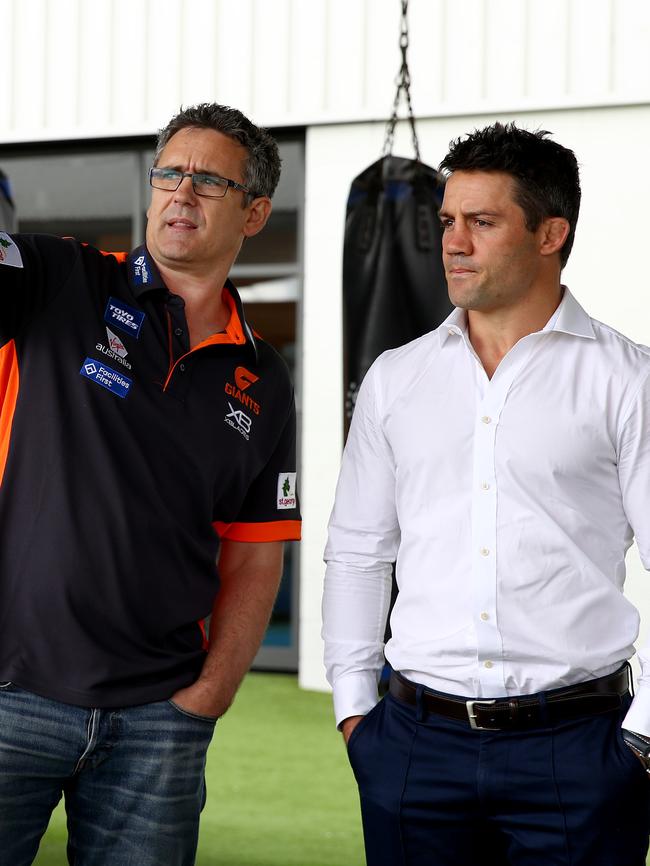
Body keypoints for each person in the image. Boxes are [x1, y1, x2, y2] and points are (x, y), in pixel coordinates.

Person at [322, 122, 650, 865]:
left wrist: (640, 742)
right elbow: (358, 555)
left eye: (482, 221)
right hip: (411, 748)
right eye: (446, 221)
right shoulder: (395, 379)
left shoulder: (629, 382)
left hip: (579, 752)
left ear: (550, 233)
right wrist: (354, 714)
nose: (453, 241)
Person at [0, 102, 301, 866]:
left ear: (255, 211)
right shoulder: (58, 279)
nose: (181, 194)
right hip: (13, 693)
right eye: (169, 173)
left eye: (208, 181)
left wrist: (212, 692)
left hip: (158, 721)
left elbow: (257, 551)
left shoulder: (262, 377)